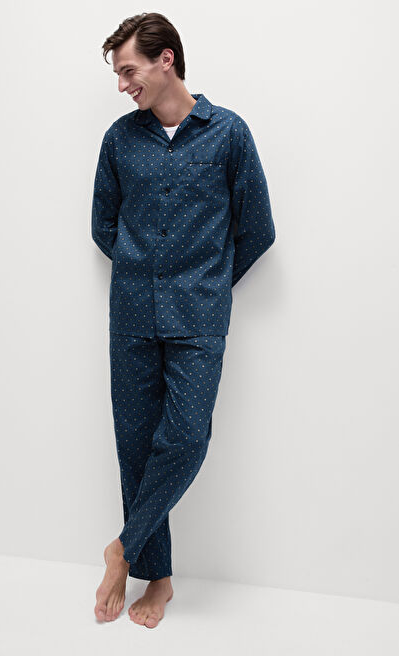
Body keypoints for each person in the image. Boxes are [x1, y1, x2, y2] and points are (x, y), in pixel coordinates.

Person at [91, 12, 276, 628]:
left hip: (199, 318)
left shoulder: (229, 134)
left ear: (165, 58)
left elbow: (257, 229)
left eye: (129, 71)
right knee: (136, 448)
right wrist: (143, 270)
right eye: (118, 76)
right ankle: (159, 579)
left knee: (187, 438)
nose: (123, 86)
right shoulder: (120, 140)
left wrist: (206, 284)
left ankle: (122, 548)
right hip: (131, 316)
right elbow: (103, 223)